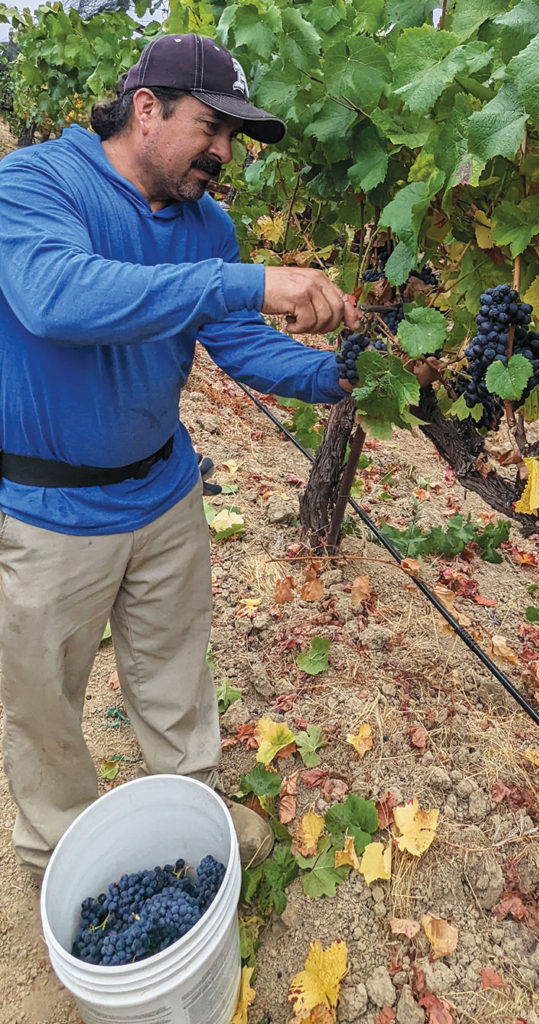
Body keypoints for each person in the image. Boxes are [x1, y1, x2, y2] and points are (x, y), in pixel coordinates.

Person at [0, 32, 366, 877]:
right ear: (146, 109)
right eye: (213, 127)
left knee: (173, 675)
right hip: (53, 512)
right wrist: (247, 279)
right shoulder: (34, 184)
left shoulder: (208, 225)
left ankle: (192, 812)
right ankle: (60, 849)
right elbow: (59, 297)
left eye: (235, 137)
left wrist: (346, 379)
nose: (225, 153)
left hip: (164, 494)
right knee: (46, 706)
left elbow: (241, 343)